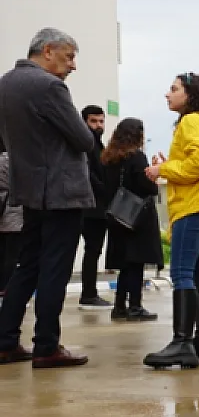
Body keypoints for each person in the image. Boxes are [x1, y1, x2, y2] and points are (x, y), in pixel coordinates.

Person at [0, 28, 95, 369]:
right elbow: (84, 139)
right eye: (69, 56)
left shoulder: (6, 84)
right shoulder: (51, 87)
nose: (73, 66)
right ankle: (47, 346)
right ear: (49, 51)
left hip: (29, 191)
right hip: (61, 192)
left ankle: (6, 340)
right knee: (55, 268)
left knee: (27, 266)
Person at [142, 73, 199, 370]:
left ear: (190, 95)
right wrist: (170, 166)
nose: (168, 94)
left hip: (193, 206)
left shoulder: (190, 121)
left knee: (182, 273)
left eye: (174, 89)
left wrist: (162, 170)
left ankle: (182, 342)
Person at [100, 118, 162, 322]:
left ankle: (119, 306)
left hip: (117, 215)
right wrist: (154, 177)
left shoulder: (109, 158)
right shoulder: (137, 157)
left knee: (124, 264)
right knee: (136, 263)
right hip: (137, 218)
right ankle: (135, 306)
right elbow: (148, 188)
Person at [78, 105, 113, 309]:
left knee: (94, 251)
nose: (98, 125)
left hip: (97, 207)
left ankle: (89, 293)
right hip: (91, 207)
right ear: (84, 122)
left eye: (101, 121)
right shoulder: (86, 144)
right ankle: (89, 294)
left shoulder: (98, 144)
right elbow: (89, 174)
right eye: (93, 121)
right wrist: (106, 191)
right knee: (92, 251)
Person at [0, 137, 19, 298]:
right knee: (12, 255)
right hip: (13, 213)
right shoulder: (10, 160)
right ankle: (7, 287)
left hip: (5, 212)